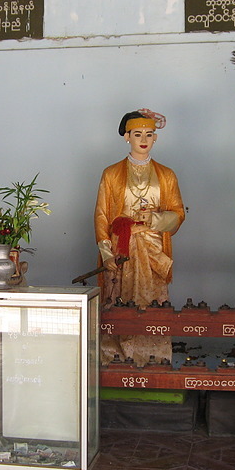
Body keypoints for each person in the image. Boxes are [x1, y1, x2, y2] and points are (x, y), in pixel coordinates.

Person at [94, 109, 185, 365]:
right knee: (118, 302)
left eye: (149, 134)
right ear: (126, 137)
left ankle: (154, 361)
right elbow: (102, 215)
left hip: (152, 247)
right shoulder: (111, 174)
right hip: (121, 247)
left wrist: (154, 219)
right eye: (137, 134)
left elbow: (178, 213)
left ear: (155, 138)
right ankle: (115, 361)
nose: (143, 139)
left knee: (151, 303)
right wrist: (106, 252)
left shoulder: (166, 175)